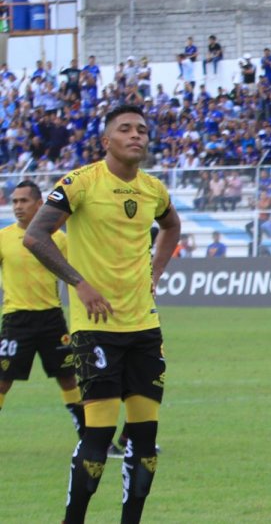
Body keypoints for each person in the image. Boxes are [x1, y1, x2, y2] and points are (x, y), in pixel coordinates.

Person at [24, 104, 181, 524]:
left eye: (142, 130)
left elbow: (171, 227)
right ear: (105, 141)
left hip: (145, 328)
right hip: (96, 331)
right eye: (125, 129)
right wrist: (79, 282)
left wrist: (157, 270)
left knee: (145, 440)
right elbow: (35, 236)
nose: (136, 135)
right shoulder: (81, 183)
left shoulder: (153, 190)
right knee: (98, 436)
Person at [0, 181, 84, 438]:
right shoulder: (3, 238)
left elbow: (77, 273)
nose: (17, 206)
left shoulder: (59, 239)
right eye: (14, 201)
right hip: (16, 319)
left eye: (23, 201)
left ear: (39, 204)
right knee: (3, 381)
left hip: (51, 319)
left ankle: (90, 437)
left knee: (68, 377)